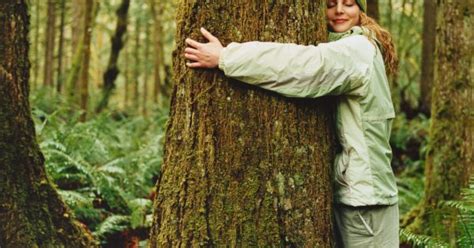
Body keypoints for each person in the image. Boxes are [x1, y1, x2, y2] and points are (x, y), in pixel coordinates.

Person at [183, 0, 399, 247]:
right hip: (362, 195)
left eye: (349, 3)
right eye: (331, 4)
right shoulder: (359, 46)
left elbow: (304, 66)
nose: (339, 10)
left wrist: (226, 56)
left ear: (361, 11)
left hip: (366, 202)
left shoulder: (357, 49)